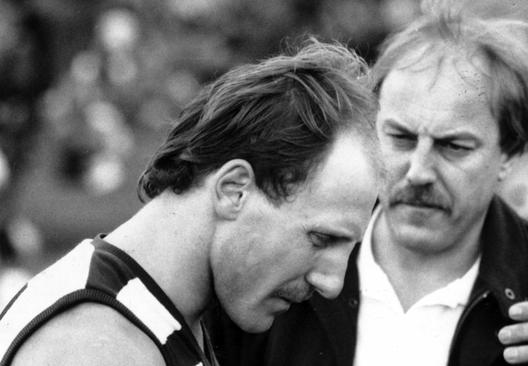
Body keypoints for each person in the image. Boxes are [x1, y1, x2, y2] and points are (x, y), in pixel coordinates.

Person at [209, 4, 528, 366]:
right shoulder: (283, 265)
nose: (418, 170)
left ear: (510, 154)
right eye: (399, 138)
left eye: (454, 146)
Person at [0, 39, 382, 366]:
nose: (332, 283)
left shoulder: (148, 315)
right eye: (321, 239)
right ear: (234, 189)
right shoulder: (94, 346)